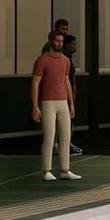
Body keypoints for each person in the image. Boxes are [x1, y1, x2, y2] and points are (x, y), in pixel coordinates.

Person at [31, 30, 80, 182]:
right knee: (49, 137)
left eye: (61, 41)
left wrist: (71, 103)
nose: (59, 43)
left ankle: (65, 170)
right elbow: (35, 83)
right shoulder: (42, 60)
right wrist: (35, 106)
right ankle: (46, 170)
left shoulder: (65, 60)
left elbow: (66, 81)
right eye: (57, 41)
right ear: (50, 41)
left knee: (65, 136)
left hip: (62, 101)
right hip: (47, 102)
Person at [44, 19, 83, 156]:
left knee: (67, 119)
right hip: (55, 92)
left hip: (65, 91)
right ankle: (55, 145)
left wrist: (73, 88)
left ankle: (65, 144)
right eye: (62, 29)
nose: (65, 32)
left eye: (66, 29)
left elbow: (68, 74)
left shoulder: (66, 56)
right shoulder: (49, 51)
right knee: (55, 120)